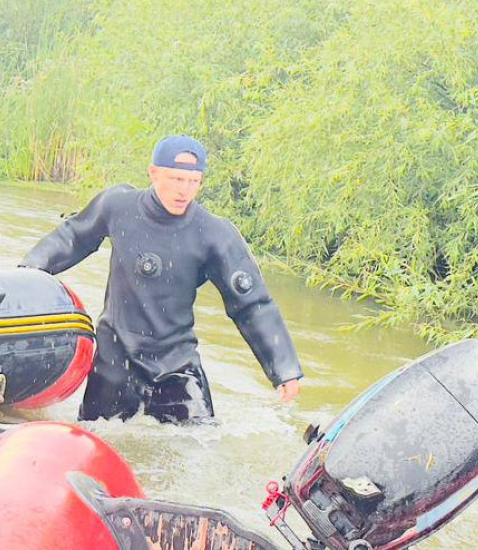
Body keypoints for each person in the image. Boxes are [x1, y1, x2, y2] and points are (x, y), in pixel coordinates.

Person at [20, 134, 303, 424]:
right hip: (116, 360)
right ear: (153, 173)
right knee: (96, 440)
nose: (184, 190)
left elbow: (252, 304)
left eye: (193, 181)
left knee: (201, 443)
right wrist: (29, 273)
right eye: (176, 179)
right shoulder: (117, 206)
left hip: (176, 365)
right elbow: (73, 237)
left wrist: (284, 369)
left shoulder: (215, 234)